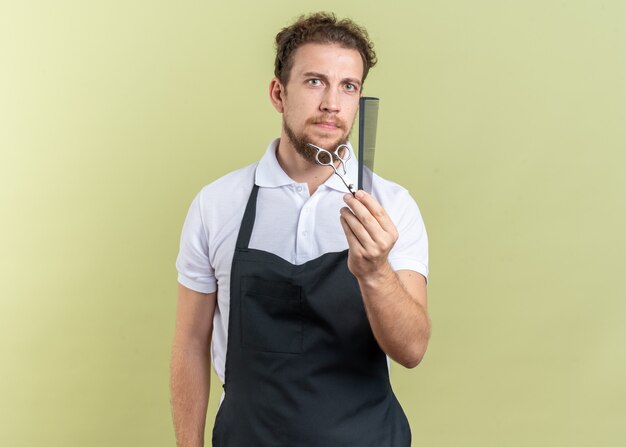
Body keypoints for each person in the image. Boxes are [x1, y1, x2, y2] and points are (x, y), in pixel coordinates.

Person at [170, 12, 430, 447]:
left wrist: (374, 271)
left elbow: (412, 351)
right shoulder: (217, 204)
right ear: (278, 93)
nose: (332, 103)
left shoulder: (391, 206)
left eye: (348, 86)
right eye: (314, 81)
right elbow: (190, 343)